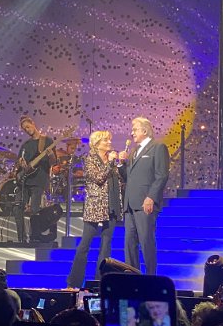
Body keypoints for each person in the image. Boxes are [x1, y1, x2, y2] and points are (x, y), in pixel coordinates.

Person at [67, 129, 123, 288]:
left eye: (109, 140)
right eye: (106, 140)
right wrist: (110, 163)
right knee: (85, 244)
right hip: (95, 206)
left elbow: (119, 179)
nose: (109, 143)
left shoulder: (111, 158)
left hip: (111, 205)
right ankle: (74, 281)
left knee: (106, 246)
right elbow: (98, 178)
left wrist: (120, 164)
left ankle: (99, 282)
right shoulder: (89, 158)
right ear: (97, 144)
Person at [118, 116, 170, 275]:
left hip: (145, 202)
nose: (132, 133)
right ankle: (132, 277)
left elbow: (162, 175)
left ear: (145, 131)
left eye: (135, 130)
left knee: (146, 241)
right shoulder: (134, 151)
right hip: (130, 203)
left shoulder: (158, 147)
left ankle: (151, 277)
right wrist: (121, 164)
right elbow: (128, 177)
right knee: (129, 243)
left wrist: (151, 197)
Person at [13, 115, 55, 244]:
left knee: (35, 210)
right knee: (17, 208)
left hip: (39, 180)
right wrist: (21, 163)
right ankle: (21, 239)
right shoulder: (25, 145)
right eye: (24, 129)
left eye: (28, 126)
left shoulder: (47, 141)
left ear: (33, 124)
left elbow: (53, 162)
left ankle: (34, 237)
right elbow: (19, 162)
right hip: (25, 181)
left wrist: (51, 155)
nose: (27, 130)